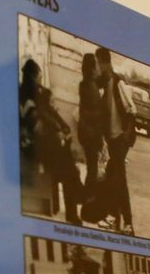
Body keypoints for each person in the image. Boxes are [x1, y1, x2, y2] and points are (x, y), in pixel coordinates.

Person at [89, 48, 135, 234]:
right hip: (112, 141)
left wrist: (125, 135)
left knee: (117, 180)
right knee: (114, 179)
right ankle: (118, 220)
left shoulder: (117, 82)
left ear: (105, 63)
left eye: (99, 64)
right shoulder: (103, 84)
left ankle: (125, 223)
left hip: (120, 140)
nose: (98, 68)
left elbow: (131, 110)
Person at [33, 86, 83, 224]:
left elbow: (66, 128)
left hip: (58, 156)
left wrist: (63, 135)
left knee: (71, 173)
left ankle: (72, 207)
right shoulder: (43, 117)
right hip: (51, 159)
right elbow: (52, 138)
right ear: (46, 102)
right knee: (71, 175)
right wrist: (61, 136)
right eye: (51, 101)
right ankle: (72, 212)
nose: (54, 104)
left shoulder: (51, 113)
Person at [76, 52, 104, 193]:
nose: (98, 68)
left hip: (86, 132)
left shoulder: (85, 84)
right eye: (96, 65)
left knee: (91, 168)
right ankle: (87, 197)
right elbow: (93, 114)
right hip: (91, 133)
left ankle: (87, 196)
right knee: (92, 170)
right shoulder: (91, 87)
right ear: (92, 68)